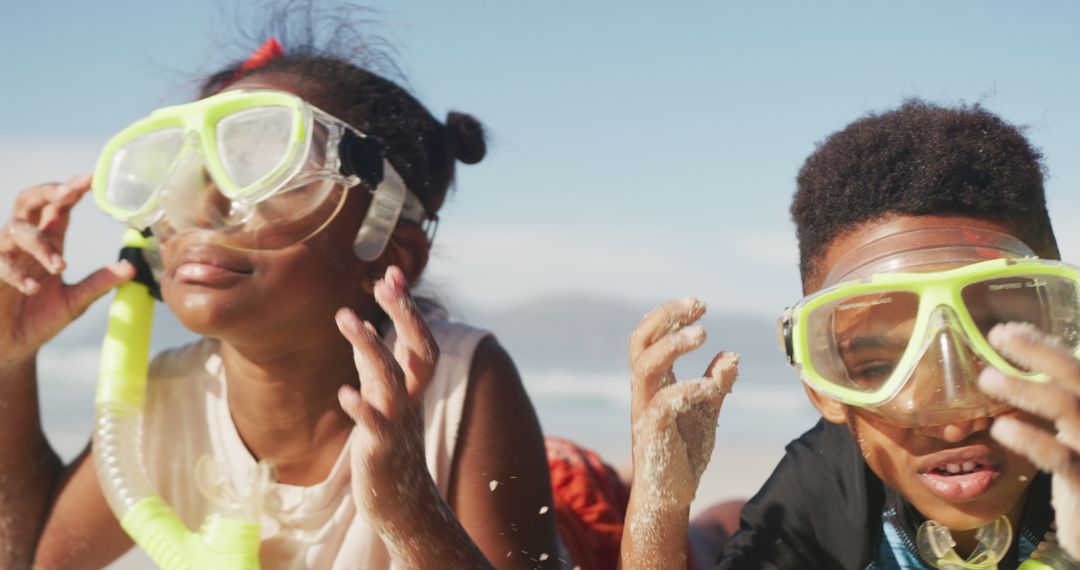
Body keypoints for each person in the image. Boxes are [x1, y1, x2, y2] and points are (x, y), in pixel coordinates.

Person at [0, 17, 562, 569]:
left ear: (389, 249)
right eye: (186, 170)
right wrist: (10, 360)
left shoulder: (462, 386)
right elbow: (23, 559)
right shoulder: (167, 404)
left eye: (267, 166)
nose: (205, 206)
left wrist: (410, 512)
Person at [620, 100, 1080, 569]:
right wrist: (659, 507)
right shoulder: (825, 492)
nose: (954, 421)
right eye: (879, 366)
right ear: (824, 388)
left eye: (1001, 345)